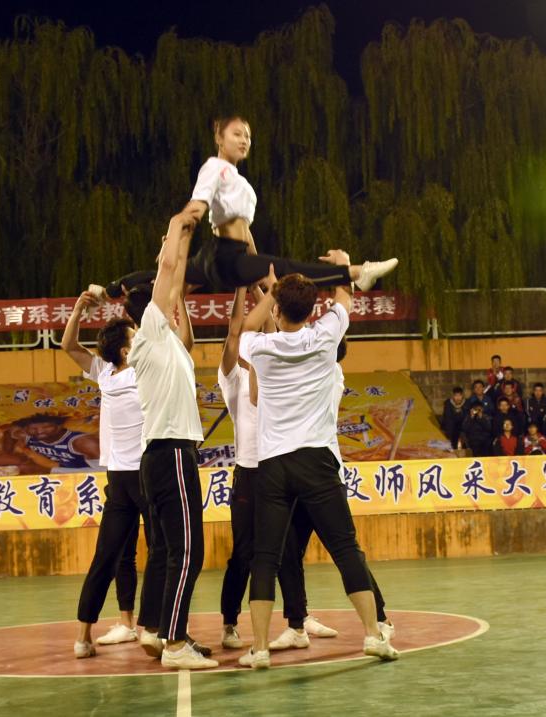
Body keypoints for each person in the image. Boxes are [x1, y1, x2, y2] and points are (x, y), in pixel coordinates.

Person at [238, 257, 398, 669]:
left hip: (273, 464)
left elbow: (246, 327)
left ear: (277, 310)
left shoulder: (260, 347)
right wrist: (344, 267)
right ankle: (373, 634)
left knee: (265, 556)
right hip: (317, 460)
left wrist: (270, 289)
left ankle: (259, 649)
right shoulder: (326, 336)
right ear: (312, 311)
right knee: (345, 548)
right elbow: (344, 297)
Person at [215, 284, 342, 653]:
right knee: (244, 552)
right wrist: (250, 288)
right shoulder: (234, 377)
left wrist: (271, 291)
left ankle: (298, 619)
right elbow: (236, 333)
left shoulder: (274, 365)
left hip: (279, 466)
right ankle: (229, 621)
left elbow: (273, 332)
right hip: (249, 473)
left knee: (287, 550)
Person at [158, 116, 398, 295]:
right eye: (237, 134)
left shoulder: (241, 183)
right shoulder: (214, 167)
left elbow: (245, 232)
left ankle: (129, 287)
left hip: (230, 256)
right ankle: (358, 272)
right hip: (222, 256)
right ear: (219, 139)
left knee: (155, 280)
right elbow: (195, 208)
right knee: (286, 267)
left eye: (247, 136)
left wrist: (257, 268)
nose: (244, 140)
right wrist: (174, 236)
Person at [126, 214, 215, 670]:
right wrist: (178, 227)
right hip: (172, 453)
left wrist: (179, 262)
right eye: (167, 302)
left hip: (163, 455)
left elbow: (183, 320)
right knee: (188, 552)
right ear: (152, 311)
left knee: (166, 550)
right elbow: (167, 275)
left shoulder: (169, 346)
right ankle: (176, 644)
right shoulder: (149, 333)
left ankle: (157, 628)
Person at [63, 290, 150, 658]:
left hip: (123, 478)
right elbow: (70, 344)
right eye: (135, 334)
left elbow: (70, 345)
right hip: (140, 477)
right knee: (150, 553)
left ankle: (87, 636)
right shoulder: (134, 372)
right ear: (127, 351)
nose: (140, 336)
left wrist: (79, 310)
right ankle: (151, 628)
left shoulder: (112, 373)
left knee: (108, 557)